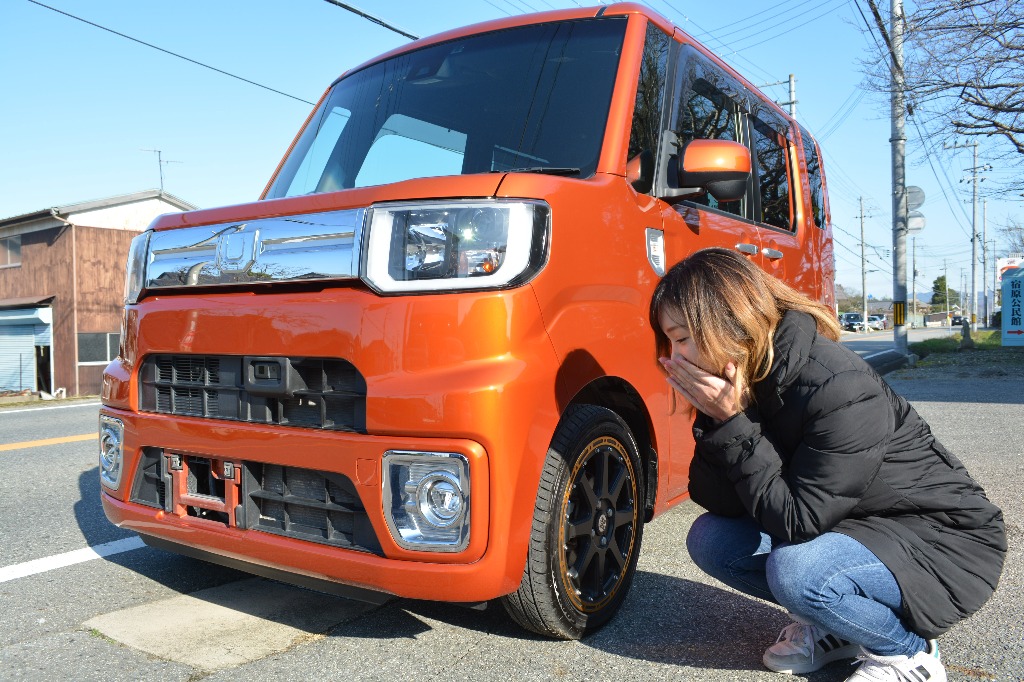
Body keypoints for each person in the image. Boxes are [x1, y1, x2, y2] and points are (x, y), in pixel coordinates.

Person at [649, 248, 1006, 682]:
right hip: (850, 525)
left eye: (683, 337)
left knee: (798, 572)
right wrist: (720, 420)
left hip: (940, 539)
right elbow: (719, 502)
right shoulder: (747, 378)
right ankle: (836, 628)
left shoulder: (838, 384)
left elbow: (799, 521)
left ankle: (908, 654)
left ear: (729, 323)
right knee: (712, 540)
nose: (675, 354)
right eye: (670, 339)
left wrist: (732, 422)